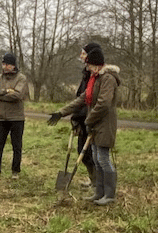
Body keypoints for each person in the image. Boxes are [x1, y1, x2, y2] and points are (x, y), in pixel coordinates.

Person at [48, 43, 121, 206]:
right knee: (96, 158)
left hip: (104, 124)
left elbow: (104, 103)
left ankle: (109, 194)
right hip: (94, 123)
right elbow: (82, 99)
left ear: (96, 64)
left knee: (103, 159)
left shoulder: (108, 79)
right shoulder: (95, 79)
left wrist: (88, 120)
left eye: (88, 65)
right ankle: (99, 192)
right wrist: (61, 112)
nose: (87, 68)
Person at [0, 52, 29, 181]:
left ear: (13, 65)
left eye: (7, 64)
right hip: (1, 118)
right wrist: (5, 91)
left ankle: (15, 171)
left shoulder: (21, 78)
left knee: (17, 146)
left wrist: (0, 97)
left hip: (16, 118)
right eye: (3, 64)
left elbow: (17, 95)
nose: (4, 67)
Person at [70, 44, 98, 188]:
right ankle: (93, 180)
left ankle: (98, 183)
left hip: (90, 119)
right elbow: (79, 98)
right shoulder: (86, 74)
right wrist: (75, 119)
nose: (81, 56)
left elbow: (90, 101)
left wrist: (83, 118)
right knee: (82, 151)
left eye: (83, 54)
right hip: (82, 119)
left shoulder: (95, 76)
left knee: (92, 155)